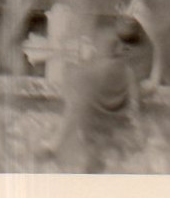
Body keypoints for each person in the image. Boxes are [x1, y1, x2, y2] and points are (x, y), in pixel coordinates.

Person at [41, 18, 143, 172]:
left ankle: (56, 144)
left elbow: (133, 104)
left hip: (106, 129)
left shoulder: (125, 72)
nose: (126, 48)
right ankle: (57, 145)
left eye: (130, 44)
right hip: (103, 128)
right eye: (123, 43)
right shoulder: (115, 70)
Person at [103, 0, 163, 92]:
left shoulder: (139, 7)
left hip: (138, 71)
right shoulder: (120, 6)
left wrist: (154, 78)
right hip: (124, 67)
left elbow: (157, 43)